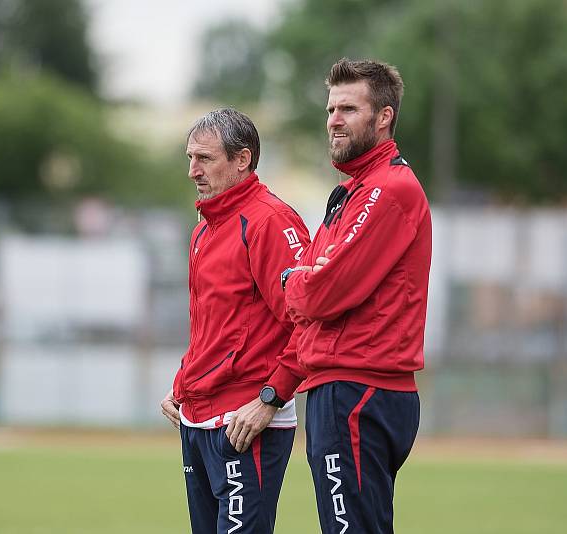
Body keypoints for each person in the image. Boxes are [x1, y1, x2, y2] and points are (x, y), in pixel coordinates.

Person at [281, 58, 432, 533]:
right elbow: (316, 278)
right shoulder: (352, 192)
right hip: (342, 386)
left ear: (383, 117)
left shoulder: (387, 190)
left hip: (359, 389)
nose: (334, 120)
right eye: (330, 109)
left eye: (348, 108)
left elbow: (320, 293)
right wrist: (308, 279)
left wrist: (294, 281)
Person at [160, 108, 310, 534]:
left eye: (204, 159)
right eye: (190, 158)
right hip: (196, 419)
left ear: (242, 160)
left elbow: (310, 323)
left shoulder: (270, 222)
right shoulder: (203, 230)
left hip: (246, 423)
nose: (192, 171)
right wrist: (183, 384)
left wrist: (270, 398)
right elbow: (214, 326)